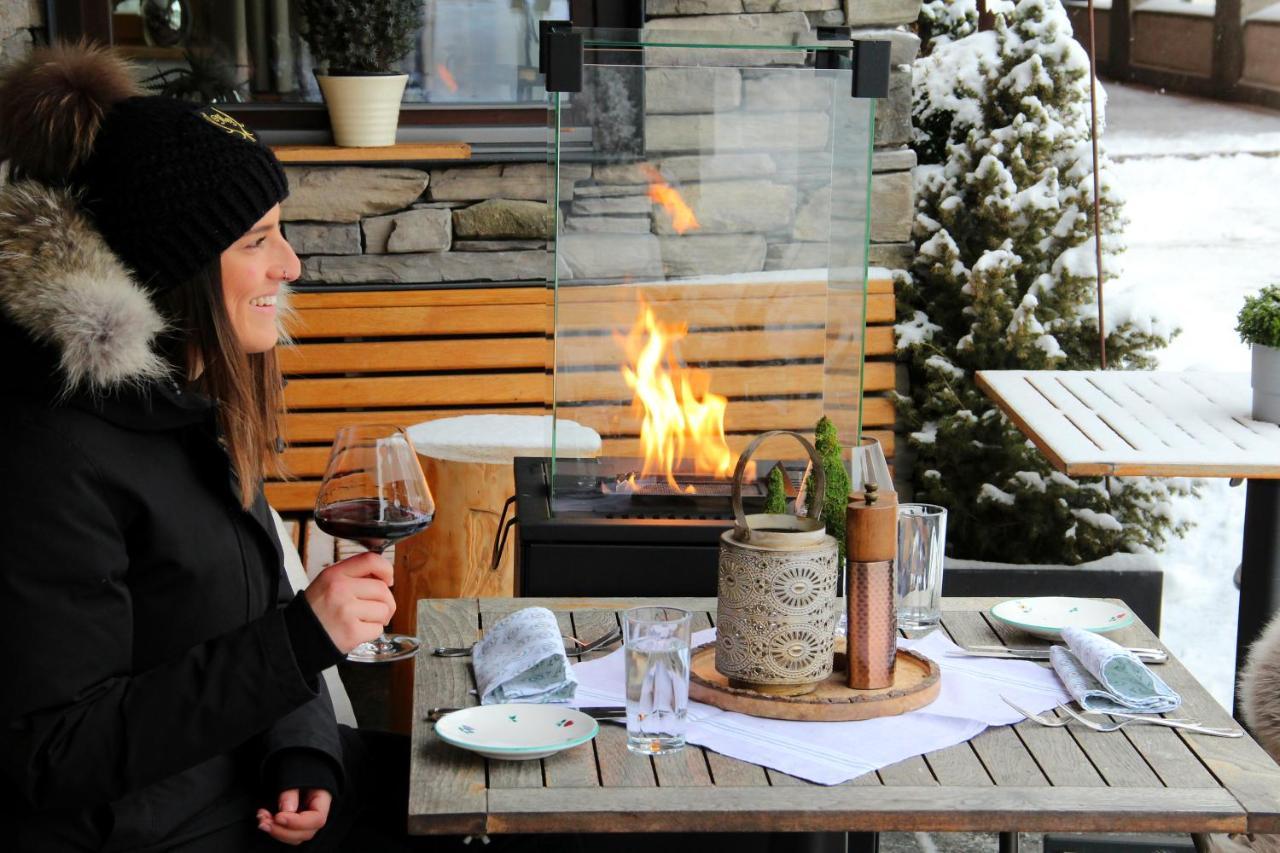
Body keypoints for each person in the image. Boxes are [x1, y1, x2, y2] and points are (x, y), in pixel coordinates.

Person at [0, 42, 420, 851]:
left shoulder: (186, 405)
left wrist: (303, 747)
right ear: (176, 270)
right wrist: (306, 641)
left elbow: (259, 611)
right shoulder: (49, 456)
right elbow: (51, 753)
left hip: (253, 794)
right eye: (257, 239)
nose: (291, 264)